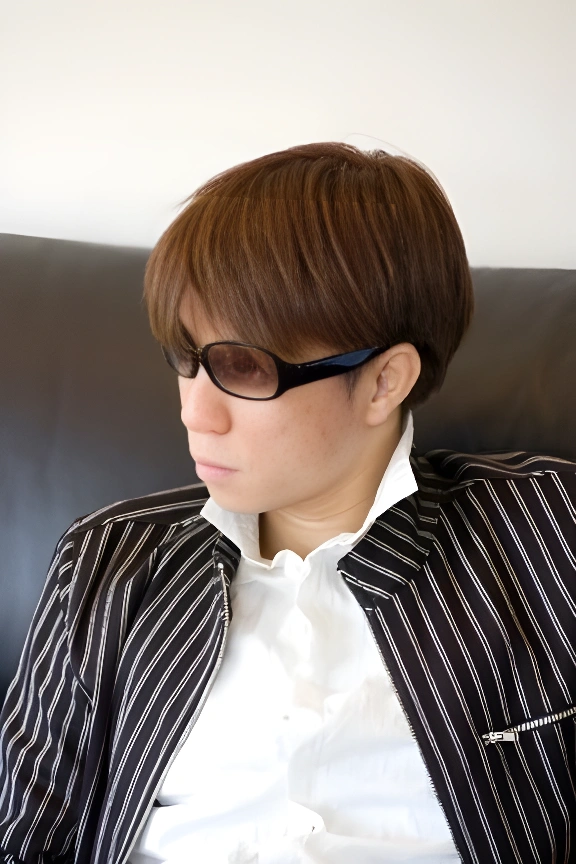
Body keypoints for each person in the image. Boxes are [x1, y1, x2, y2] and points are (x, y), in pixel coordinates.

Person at [0, 142, 575, 864]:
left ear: (384, 381)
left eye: (241, 367)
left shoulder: (549, 529)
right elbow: (29, 838)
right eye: (184, 358)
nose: (195, 413)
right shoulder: (109, 562)